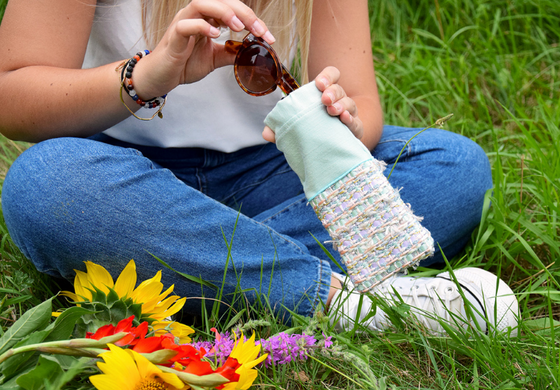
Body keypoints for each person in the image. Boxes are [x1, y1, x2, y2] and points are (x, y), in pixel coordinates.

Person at [0, 0, 517, 334]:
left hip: (275, 170)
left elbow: (359, 98)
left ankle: (192, 267)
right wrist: (146, 76)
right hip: (121, 170)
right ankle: (345, 301)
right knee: (47, 185)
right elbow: (12, 93)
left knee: (453, 167)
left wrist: (338, 125)